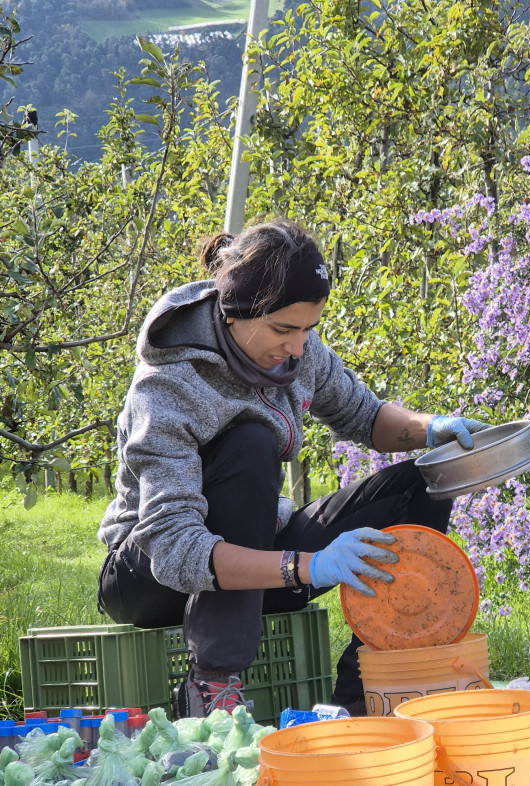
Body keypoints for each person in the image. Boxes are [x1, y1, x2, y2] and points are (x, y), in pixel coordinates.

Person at [96, 218, 487, 718]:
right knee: (250, 442)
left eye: (309, 329)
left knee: (425, 481)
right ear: (236, 313)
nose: (299, 347)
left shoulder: (297, 353)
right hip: (149, 578)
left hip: (257, 565)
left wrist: (433, 429)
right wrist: (306, 566)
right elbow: (173, 550)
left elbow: (363, 414)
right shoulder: (168, 388)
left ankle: (368, 693)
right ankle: (213, 683)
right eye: (285, 329)